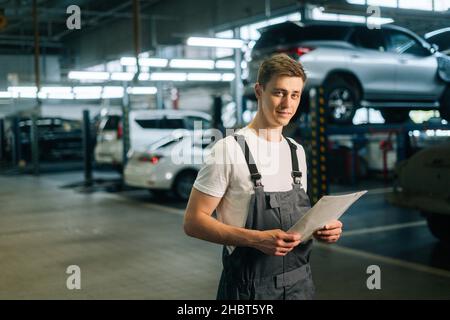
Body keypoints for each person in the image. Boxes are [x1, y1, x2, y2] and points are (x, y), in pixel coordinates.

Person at [183, 53, 343, 300]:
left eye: (295, 95)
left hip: (301, 287)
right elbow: (193, 221)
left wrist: (321, 229)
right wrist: (255, 239)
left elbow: (297, 224)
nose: (287, 104)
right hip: (249, 292)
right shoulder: (229, 149)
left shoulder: (295, 151)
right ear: (259, 91)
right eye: (279, 93)